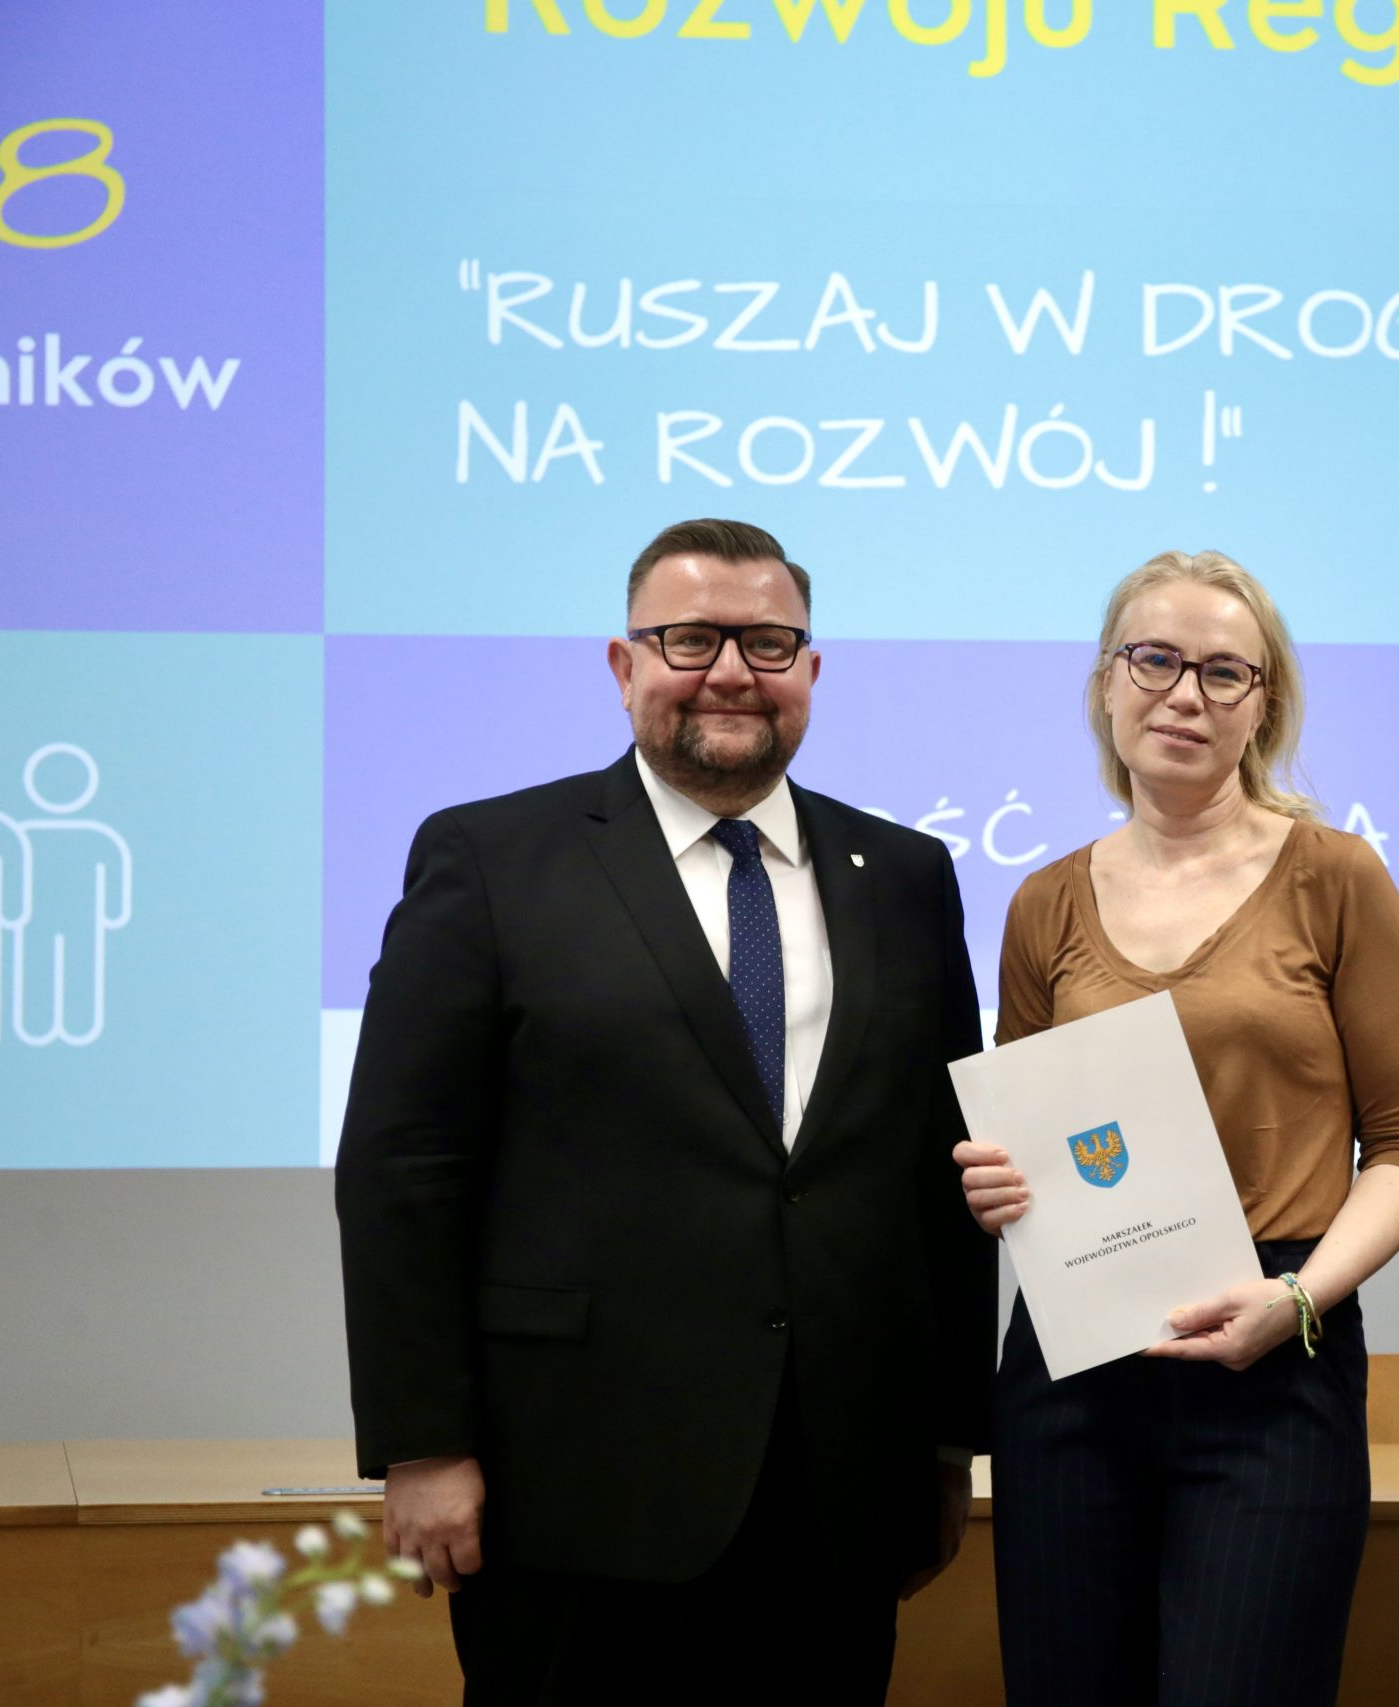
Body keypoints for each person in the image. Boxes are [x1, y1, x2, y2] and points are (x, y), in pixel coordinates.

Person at [334, 518, 994, 1705]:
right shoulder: (491, 859)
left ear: (810, 669)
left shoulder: (902, 877)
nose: (732, 671)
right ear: (623, 663)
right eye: (691, 639)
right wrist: (422, 1443)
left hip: (839, 1491)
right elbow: (403, 1167)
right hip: (573, 1488)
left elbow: (938, 1173)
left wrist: (946, 1444)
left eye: (768, 643)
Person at [953, 550, 1399, 1707]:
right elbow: (1034, 1137)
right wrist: (997, 1187)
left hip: (1278, 1352)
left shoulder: (1336, 877)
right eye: (1155, 660)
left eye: (1224, 672)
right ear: (1105, 683)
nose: (1185, 694)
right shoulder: (1042, 902)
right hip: (1074, 1371)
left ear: (1262, 705)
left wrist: (1299, 1299)